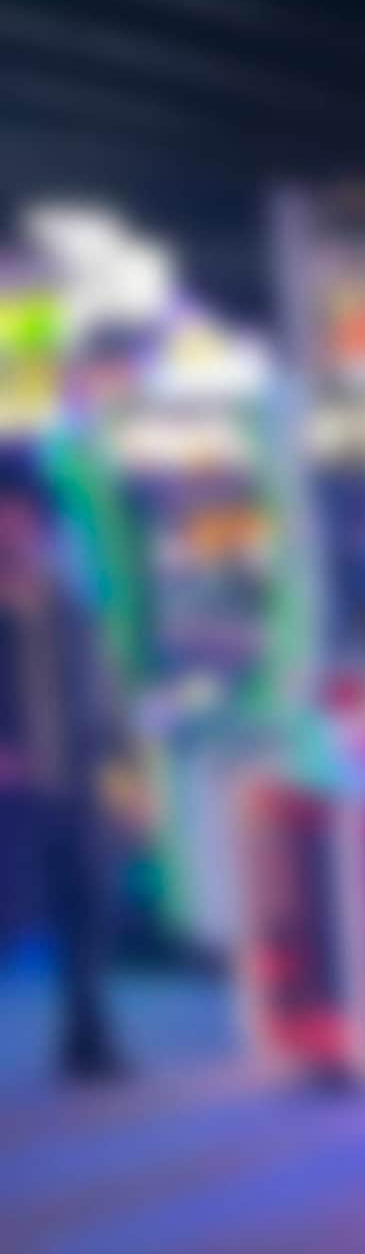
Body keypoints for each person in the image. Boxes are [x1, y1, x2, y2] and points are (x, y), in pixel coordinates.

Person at [0, 456, 135, 1081]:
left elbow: (103, 693)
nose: (13, 529)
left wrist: (123, 776)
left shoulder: (69, 604)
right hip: (10, 793)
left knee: (87, 907)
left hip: (74, 781)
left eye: (23, 517)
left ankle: (87, 1035)